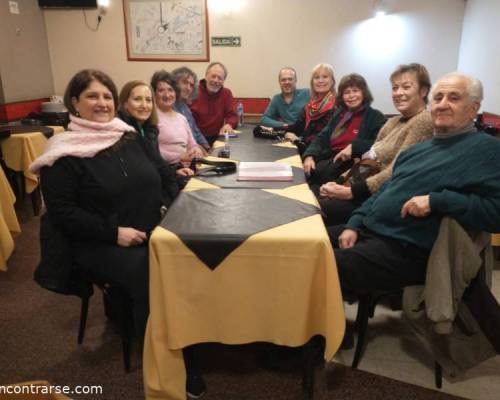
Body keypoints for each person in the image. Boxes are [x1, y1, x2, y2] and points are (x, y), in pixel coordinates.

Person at [30, 69, 180, 340]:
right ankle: (155, 347)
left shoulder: (129, 135)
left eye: (107, 96)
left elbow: (163, 173)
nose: (102, 103)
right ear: (74, 102)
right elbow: (63, 213)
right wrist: (114, 233)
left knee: (187, 253)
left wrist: (166, 208)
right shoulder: (62, 153)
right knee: (152, 271)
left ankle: (184, 328)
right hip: (100, 240)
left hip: (150, 229)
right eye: (92, 96)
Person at [334, 71, 500, 303]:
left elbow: (496, 213)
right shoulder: (417, 151)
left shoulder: (488, 150)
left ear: (473, 108)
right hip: (371, 232)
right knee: (306, 243)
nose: (442, 105)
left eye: (453, 98)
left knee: (321, 265)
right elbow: (384, 192)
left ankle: (321, 336)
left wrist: (436, 201)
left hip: (409, 250)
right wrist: (354, 224)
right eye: (438, 97)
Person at [319, 63, 434, 226]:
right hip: (360, 189)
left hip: (377, 201)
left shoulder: (424, 121)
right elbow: (368, 160)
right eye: (395, 88)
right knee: (313, 199)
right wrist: (339, 182)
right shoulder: (393, 121)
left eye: (406, 87)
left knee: (314, 211)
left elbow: (396, 172)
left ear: (423, 91)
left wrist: (351, 191)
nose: (398, 93)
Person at [302, 73, 386, 184]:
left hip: (349, 170)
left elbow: (382, 144)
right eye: (347, 92)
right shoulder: (340, 114)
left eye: (355, 91)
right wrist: (309, 156)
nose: (351, 96)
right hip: (327, 162)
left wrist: (354, 147)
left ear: (363, 93)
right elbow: (322, 137)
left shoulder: (375, 117)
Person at [117, 80, 193, 178]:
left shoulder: (150, 130)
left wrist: (174, 172)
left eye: (148, 100)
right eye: (137, 99)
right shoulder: (122, 133)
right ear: (125, 104)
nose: (144, 105)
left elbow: (157, 164)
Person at [151, 70, 204, 166]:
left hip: (187, 167)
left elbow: (192, 144)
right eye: (161, 90)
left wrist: (196, 151)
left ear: (176, 93)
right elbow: (152, 152)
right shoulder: (151, 117)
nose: (167, 95)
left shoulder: (182, 118)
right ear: (154, 93)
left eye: (170, 90)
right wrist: (180, 157)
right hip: (167, 170)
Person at [283, 63, 337, 146]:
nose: (320, 81)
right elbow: (296, 128)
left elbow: (324, 137)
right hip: (306, 146)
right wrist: (272, 130)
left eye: (325, 77)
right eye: (316, 77)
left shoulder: (336, 105)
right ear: (312, 82)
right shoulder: (310, 106)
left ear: (332, 81)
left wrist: (297, 140)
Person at [189, 62, 238, 144]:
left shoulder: (226, 93)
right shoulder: (193, 91)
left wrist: (229, 124)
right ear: (206, 76)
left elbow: (232, 115)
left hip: (217, 137)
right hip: (194, 138)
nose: (216, 80)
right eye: (213, 76)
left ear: (223, 81)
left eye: (220, 78)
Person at [171, 67, 210, 152]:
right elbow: (178, 140)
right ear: (175, 83)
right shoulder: (169, 107)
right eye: (185, 82)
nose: (188, 88)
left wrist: (207, 147)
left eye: (191, 85)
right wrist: (197, 147)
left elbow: (196, 131)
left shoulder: (185, 107)